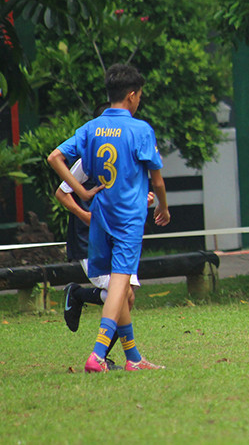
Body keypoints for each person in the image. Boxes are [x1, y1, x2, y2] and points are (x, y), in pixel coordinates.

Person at [48, 63, 171, 372]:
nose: (139, 100)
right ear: (131, 96)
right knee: (120, 284)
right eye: (139, 95)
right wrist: (163, 207)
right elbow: (157, 180)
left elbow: (55, 158)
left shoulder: (91, 128)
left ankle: (132, 358)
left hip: (100, 216)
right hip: (127, 218)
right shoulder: (140, 129)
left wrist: (83, 192)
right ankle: (98, 354)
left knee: (120, 288)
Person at [57, 142, 152, 371]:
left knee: (126, 298)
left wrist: (143, 201)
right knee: (123, 295)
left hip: (116, 239)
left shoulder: (125, 160)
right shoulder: (89, 159)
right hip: (90, 241)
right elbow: (62, 192)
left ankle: (103, 356)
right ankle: (111, 358)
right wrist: (85, 216)